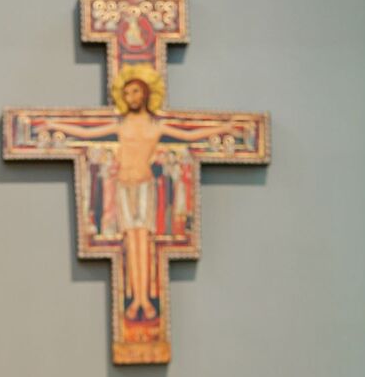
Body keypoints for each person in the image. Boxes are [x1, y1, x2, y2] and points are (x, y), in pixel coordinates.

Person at [41, 65, 242, 320]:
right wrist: (55, 124)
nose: (130, 97)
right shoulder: (121, 126)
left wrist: (222, 129)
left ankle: (144, 298)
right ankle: (135, 297)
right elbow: (87, 133)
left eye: (135, 91)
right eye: (126, 93)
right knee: (130, 242)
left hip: (145, 186)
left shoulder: (156, 127)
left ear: (146, 93)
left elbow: (189, 134)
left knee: (144, 243)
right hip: (124, 187)